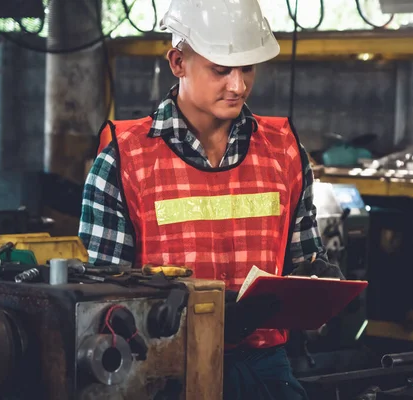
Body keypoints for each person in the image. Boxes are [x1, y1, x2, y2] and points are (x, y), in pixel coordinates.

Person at [79, 0, 344, 399]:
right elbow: (104, 305)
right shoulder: (124, 159)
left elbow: (301, 259)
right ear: (177, 61)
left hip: (265, 368)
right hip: (161, 369)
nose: (238, 86)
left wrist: (317, 279)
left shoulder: (283, 151)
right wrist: (203, 317)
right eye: (221, 70)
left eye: (247, 69)